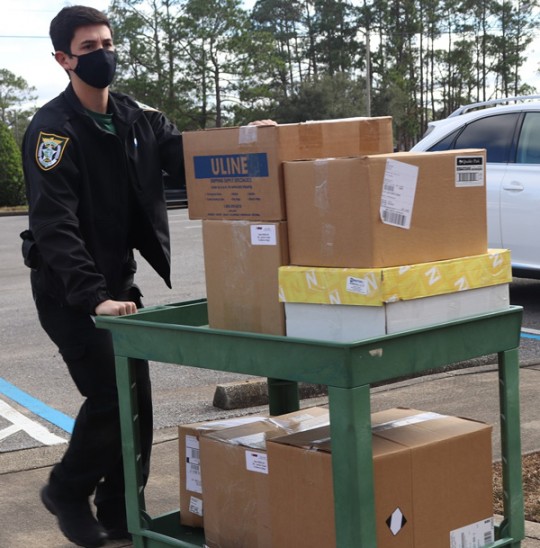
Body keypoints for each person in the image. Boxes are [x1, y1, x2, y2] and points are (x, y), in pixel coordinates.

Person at [20, 5, 184, 547]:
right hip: (69, 291)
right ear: (63, 60)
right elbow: (54, 225)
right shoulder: (53, 131)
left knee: (137, 403)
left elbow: (193, 160)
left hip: (117, 284)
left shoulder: (138, 118)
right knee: (112, 398)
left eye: (107, 44)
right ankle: (67, 490)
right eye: (88, 48)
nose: (103, 55)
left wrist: (252, 142)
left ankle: (120, 512)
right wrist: (93, 297)